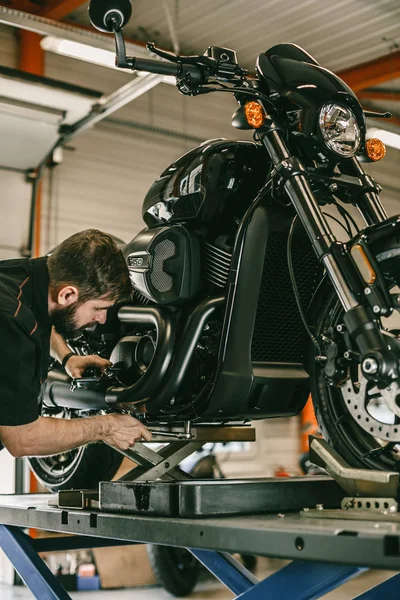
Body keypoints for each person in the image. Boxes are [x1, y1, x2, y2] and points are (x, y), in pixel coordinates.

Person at [0, 229, 151, 458]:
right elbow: (23, 439)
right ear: (68, 295)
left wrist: (67, 357)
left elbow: (39, 317)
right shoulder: (10, 321)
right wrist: (106, 426)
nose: (101, 319)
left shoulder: (28, 276)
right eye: (99, 308)